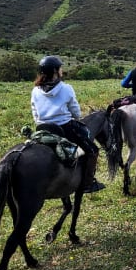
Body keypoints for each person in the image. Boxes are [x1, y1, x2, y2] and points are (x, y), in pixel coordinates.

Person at [31, 55, 105, 193]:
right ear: (55, 71)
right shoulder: (66, 88)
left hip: (42, 128)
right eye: (60, 68)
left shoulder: (35, 90)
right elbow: (76, 113)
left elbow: (35, 112)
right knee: (92, 150)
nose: (61, 70)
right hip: (64, 128)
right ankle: (87, 184)